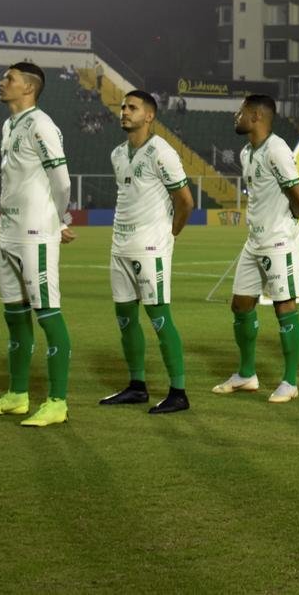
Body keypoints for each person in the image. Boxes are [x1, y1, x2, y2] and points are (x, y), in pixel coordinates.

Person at [0, 62, 76, 427]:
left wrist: (59, 219)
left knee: (48, 313)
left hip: (35, 234)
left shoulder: (42, 125)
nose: (2, 83)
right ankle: (17, 395)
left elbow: (61, 182)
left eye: (10, 79)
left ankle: (57, 402)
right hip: (8, 233)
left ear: (29, 88)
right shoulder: (9, 124)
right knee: (14, 317)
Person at [99, 90, 195, 413]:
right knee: (125, 319)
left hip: (150, 246)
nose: (124, 111)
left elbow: (185, 202)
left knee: (159, 318)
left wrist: (171, 235)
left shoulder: (161, 152)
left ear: (149, 116)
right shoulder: (116, 154)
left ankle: (178, 392)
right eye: (123, 106)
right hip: (120, 246)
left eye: (133, 107)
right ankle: (136, 385)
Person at [212, 94, 299, 403]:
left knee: (284, 306)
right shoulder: (247, 153)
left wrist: (289, 224)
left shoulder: (277, 150)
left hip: (279, 240)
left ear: (256, 116)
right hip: (254, 241)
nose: (235, 117)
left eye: (240, 112)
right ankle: (246, 374)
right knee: (241, 303)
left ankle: (290, 381)